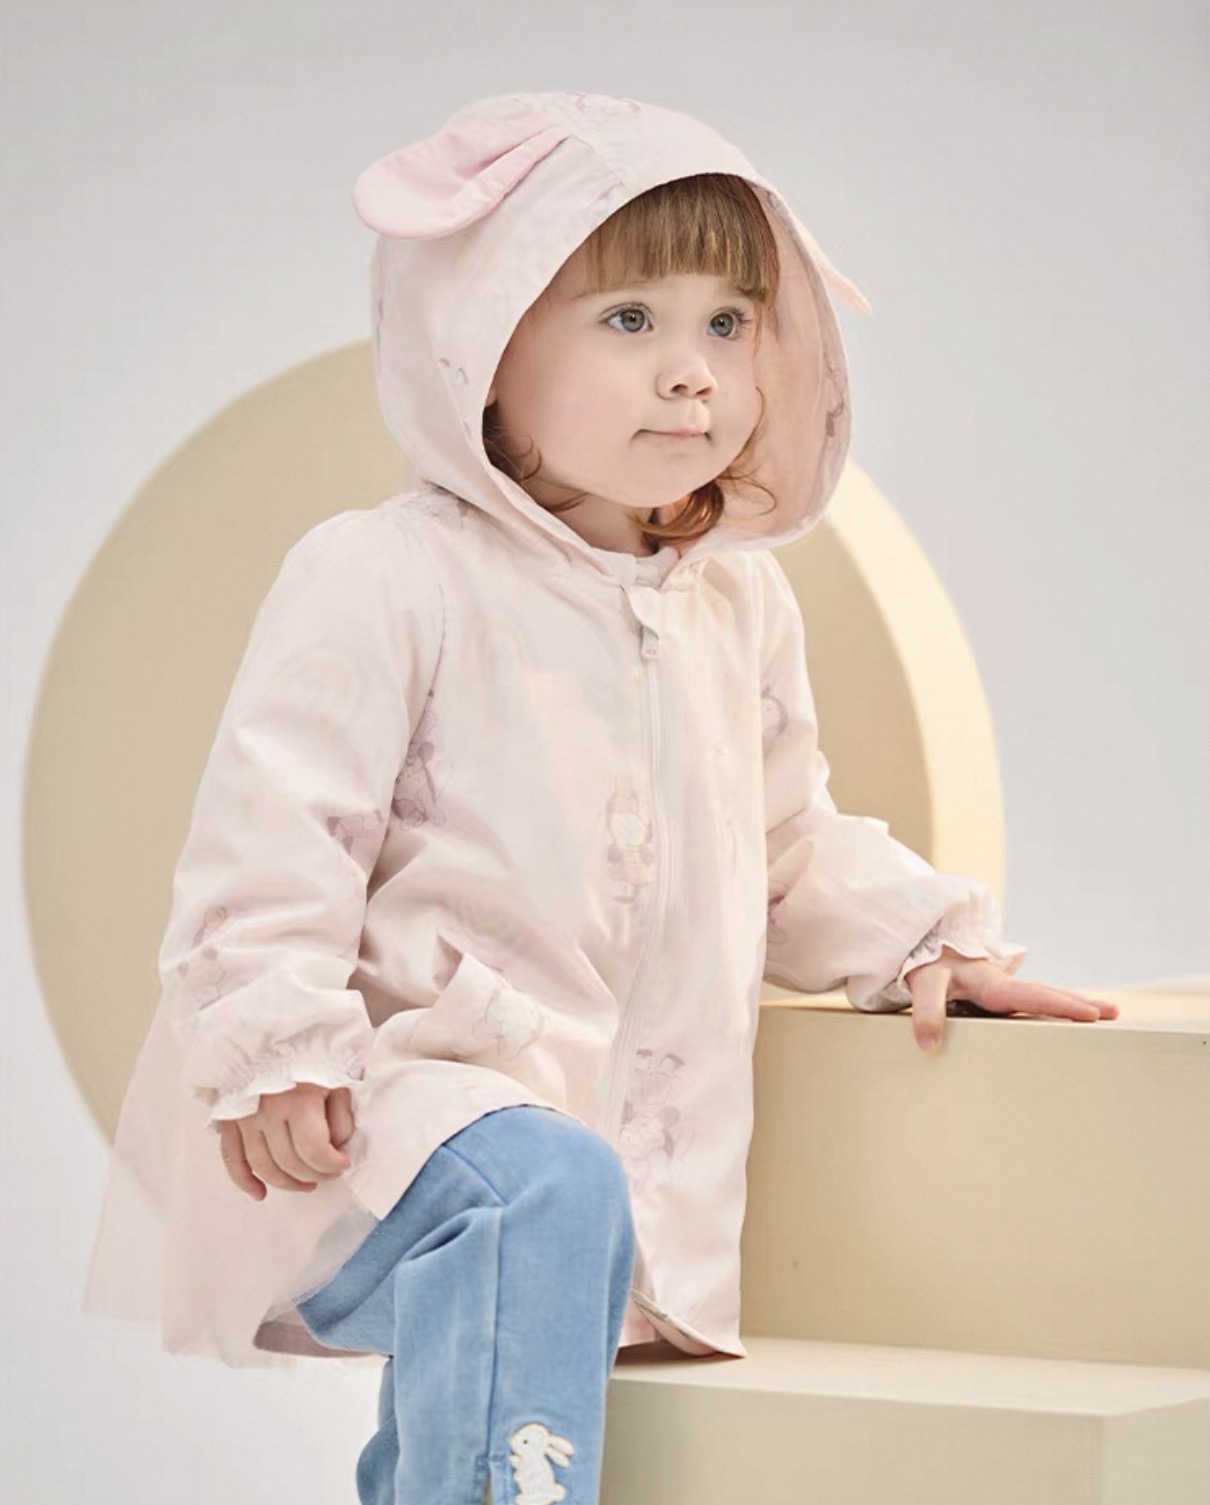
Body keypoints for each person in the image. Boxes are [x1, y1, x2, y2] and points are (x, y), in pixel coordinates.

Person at [81, 90, 1118, 1505]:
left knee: (547, 1232)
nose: (691, 375)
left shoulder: (732, 604)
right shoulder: (388, 574)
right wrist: (276, 1046)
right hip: (369, 1121)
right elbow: (278, 833)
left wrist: (923, 937)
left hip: (609, 1176)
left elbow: (781, 844)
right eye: (630, 320)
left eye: (728, 323)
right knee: (543, 1186)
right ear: (482, 344)